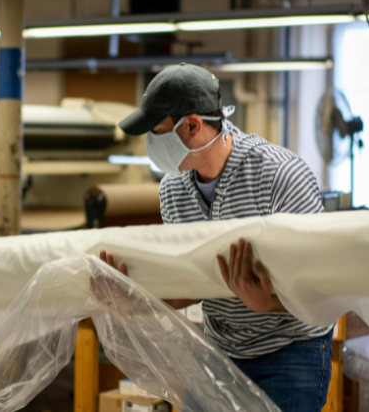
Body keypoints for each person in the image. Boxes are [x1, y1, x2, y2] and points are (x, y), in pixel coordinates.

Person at [100, 63, 333, 412]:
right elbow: (191, 283)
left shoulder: (279, 175)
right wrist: (137, 301)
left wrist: (267, 302)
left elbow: (325, 285)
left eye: (157, 132)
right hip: (219, 349)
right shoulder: (173, 190)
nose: (150, 144)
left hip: (290, 350)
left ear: (193, 125)